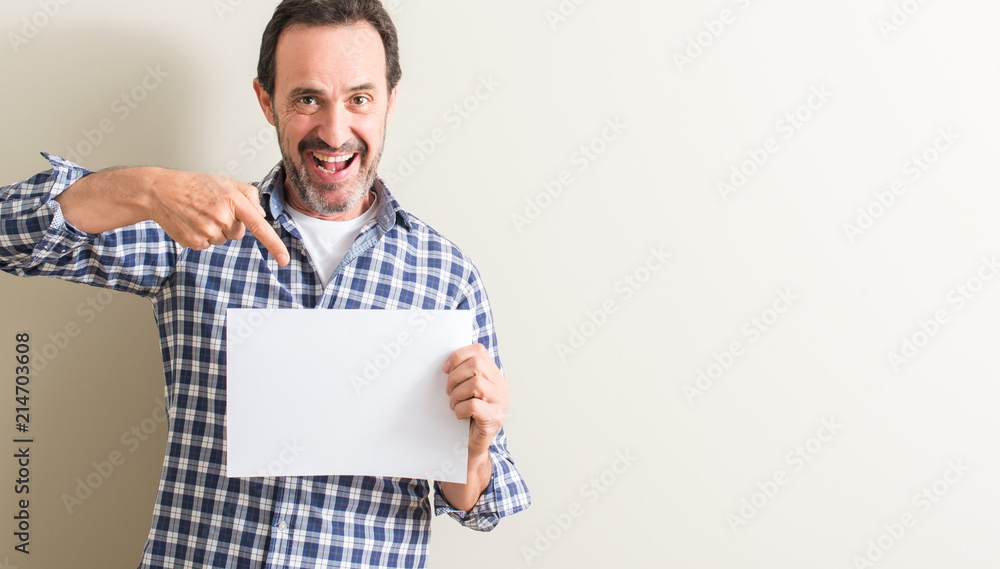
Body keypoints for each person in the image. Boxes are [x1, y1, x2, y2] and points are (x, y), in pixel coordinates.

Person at [0, 0, 530, 566]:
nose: (334, 130)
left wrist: (473, 453)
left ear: (389, 104)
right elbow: (11, 237)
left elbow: (477, 504)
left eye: (359, 99)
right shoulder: (194, 228)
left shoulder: (446, 276)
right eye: (307, 99)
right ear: (266, 101)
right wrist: (149, 188)